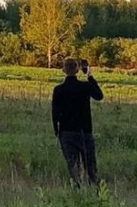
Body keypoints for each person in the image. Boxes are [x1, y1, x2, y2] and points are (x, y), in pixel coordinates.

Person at [51, 58, 103, 188]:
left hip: (66, 132)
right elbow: (99, 95)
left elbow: (55, 113)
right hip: (84, 131)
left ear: (63, 70)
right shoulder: (85, 87)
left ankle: (77, 190)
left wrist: (57, 131)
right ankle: (95, 191)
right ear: (78, 70)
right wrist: (89, 76)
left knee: (73, 165)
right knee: (90, 165)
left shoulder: (59, 90)